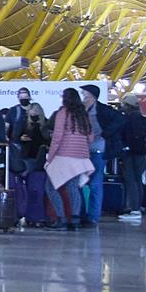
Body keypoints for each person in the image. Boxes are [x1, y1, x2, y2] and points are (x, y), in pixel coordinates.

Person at [44, 87, 95, 230]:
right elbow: (90, 137)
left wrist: (50, 157)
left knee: (51, 187)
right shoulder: (84, 114)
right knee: (73, 188)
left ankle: (61, 220)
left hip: (63, 155)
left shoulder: (63, 113)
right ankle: (75, 220)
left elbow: (57, 137)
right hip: (81, 157)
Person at [79, 84, 118, 223]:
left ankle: (93, 216)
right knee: (81, 183)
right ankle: (82, 213)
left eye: (85, 94)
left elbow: (120, 120)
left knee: (95, 184)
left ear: (92, 96)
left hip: (97, 150)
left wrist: (105, 133)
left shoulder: (103, 110)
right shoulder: (82, 110)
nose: (83, 97)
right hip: (82, 151)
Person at [116, 97, 146, 222]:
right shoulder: (144, 118)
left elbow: (123, 135)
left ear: (128, 105)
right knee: (138, 180)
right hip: (142, 152)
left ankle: (134, 209)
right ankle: (139, 207)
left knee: (131, 179)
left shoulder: (127, 118)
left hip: (130, 152)